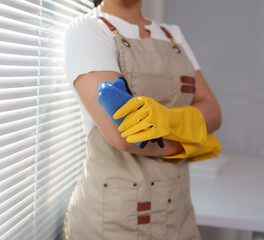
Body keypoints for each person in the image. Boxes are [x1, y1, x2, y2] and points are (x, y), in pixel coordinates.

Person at [62, 0, 222, 239]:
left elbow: (214, 112)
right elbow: (124, 135)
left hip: (177, 212)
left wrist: (168, 120)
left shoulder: (172, 35)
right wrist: (191, 141)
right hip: (114, 219)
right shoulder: (88, 30)